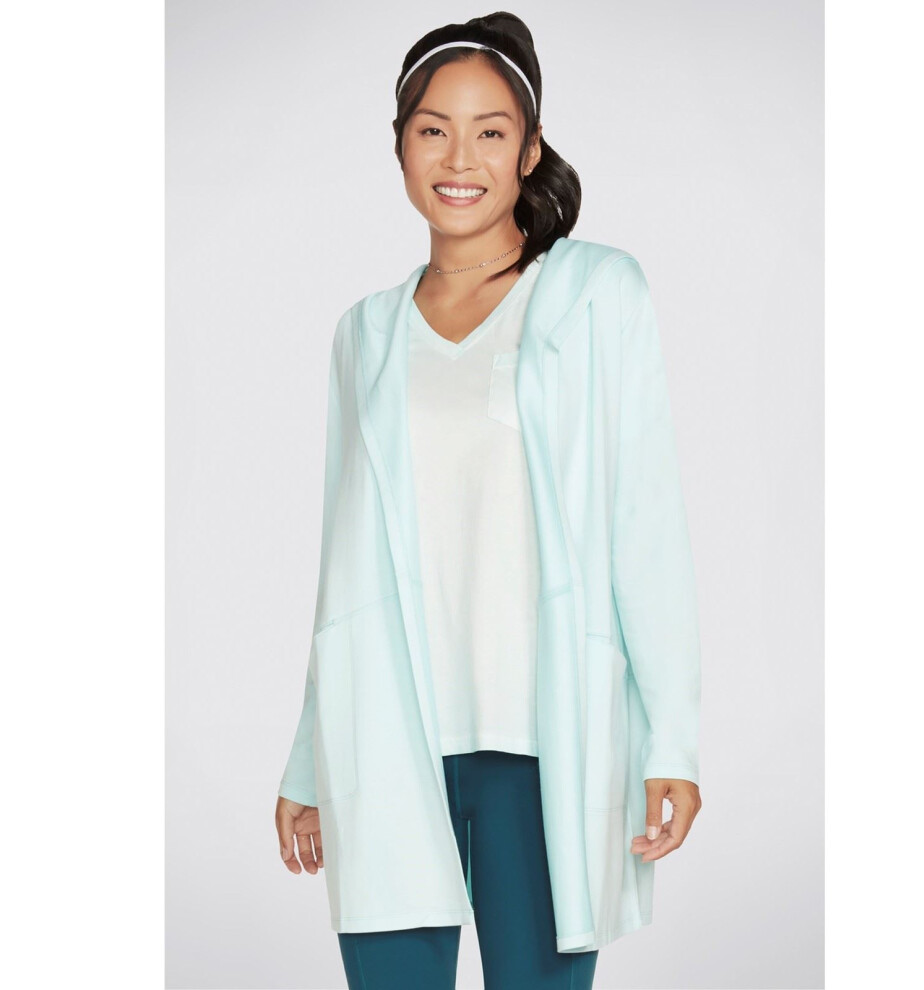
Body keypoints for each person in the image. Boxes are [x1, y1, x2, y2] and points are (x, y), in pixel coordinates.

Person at [274, 12, 703, 990]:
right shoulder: (363, 336)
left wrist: (671, 741)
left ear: (530, 148)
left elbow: (645, 524)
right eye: (433, 129)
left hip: (543, 743)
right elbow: (343, 567)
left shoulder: (596, 294)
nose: (459, 158)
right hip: (387, 736)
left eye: (491, 131)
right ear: (399, 145)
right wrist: (307, 761)